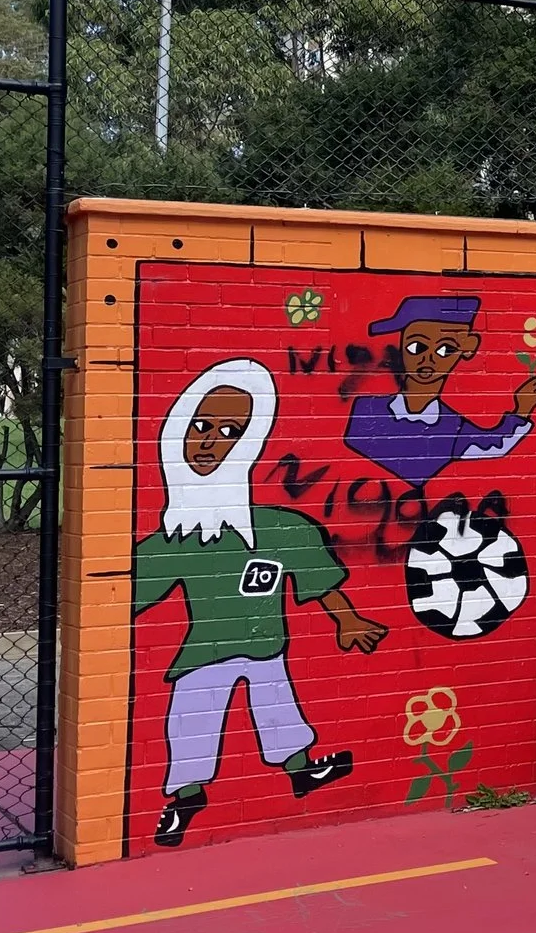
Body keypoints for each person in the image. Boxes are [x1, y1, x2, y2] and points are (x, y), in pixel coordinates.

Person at [135, 359, 388, 847]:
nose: (209, 441)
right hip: (204, 651)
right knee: (192, 717)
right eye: (200, 426)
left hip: (267, 645)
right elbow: (127, 594)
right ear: (178, 431)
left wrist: (348, 618)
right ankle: (185, 797)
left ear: (248, 443)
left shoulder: (278, 527)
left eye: (229, 430)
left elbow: (312, 569)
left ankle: (298, 770)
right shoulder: (175, 538)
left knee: (278, 703)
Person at [344, 295, 536, 489]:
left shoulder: (453, 429)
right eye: (417, 347)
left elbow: (493, 444)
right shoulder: (366, 410)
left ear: (469, 348)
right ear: (401, 344)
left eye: (446, 349)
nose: (429, 359)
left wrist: (523, 410)